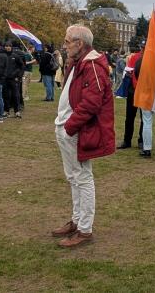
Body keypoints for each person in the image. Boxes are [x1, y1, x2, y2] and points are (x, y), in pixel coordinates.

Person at [51, 25, 115, 248]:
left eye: (68, 41)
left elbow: (92, 102)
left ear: (80, 43)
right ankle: (77, 221)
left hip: (76, 131)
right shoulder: (80, 64)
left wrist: (70, 126)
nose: (65, 44)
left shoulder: (93, 66)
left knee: (82, 178)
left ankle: (85, 230)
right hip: (69, 129)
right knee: (73, 177)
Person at [117, 43, 144, 150]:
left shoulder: (150, 57)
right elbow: (128, 73)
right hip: (133, 90)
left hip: (143, 91)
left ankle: (142, 140)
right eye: (142, 47)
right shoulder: (134, 57)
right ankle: (127, 140)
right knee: (129, 117)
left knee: (144, 118)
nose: (142, 49)